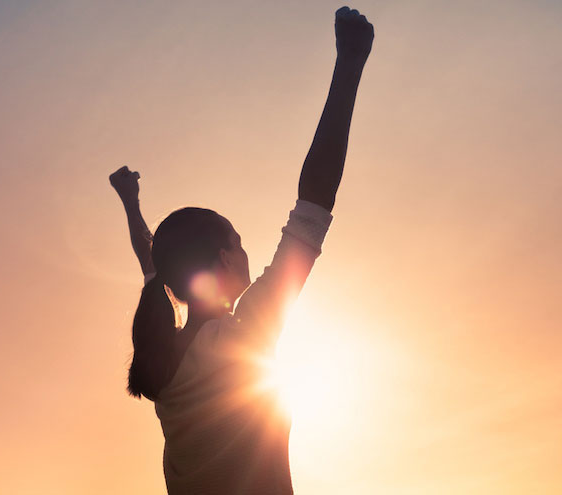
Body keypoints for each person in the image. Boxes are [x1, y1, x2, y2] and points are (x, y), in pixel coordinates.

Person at [108, 7, 373, 494]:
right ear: (226, 259)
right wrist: (349, 65)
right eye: (240, 242)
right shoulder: (243, 337)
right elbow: (314, 202)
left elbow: (149, 261)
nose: (249, 253)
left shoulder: (163, 361)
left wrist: (130, 204)